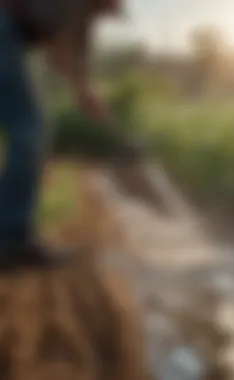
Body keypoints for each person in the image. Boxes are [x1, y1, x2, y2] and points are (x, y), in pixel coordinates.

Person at [0, 0, 146, 269]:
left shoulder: (84, 21)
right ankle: (10, 240)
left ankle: (11, 235)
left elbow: (78, 62)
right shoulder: (73, 5)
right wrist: (83, 89)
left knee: (29, 128)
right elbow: (60, 55)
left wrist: (87, 93)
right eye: (113, 8)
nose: (112, 14)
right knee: (29, 129)